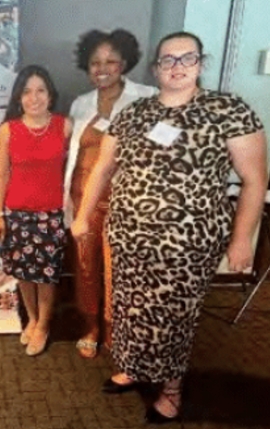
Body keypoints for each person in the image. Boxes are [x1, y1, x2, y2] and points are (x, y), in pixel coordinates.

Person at [71, 31, 267, 423]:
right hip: (127, 236)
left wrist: (242, 238)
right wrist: (82, 216)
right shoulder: (135, 112)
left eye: (186, 58)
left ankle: (172, 389)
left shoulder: (228, 110)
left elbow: (254, 180)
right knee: (127, 309)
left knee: (172, 316)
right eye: (168, 60)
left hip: (188, 243)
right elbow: (104, 169)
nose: (177, 66)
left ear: (201, 63)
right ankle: (133, 368)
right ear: (156, 67)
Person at [65, 29, 156, 359]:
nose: (102, 69)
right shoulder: (80, 104)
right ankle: (90, 326)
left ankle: (115, 327)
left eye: (111, 62)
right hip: (83, 200)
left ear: (125, 63)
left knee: (119, 271)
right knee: (86, 266)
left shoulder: (147, 98)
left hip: (125, 203)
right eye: (95, 63)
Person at [0, 65, 72, 356]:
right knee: (25, 273)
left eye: (40, 90)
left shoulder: (65, 126)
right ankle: (33, 318)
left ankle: (43, 325)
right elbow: (1, 175)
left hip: (51, 214)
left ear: (50, 95)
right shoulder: (8, 130)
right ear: (19, 97)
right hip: (17, 213)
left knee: (46, 275)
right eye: (27, 91)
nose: (34, 97)